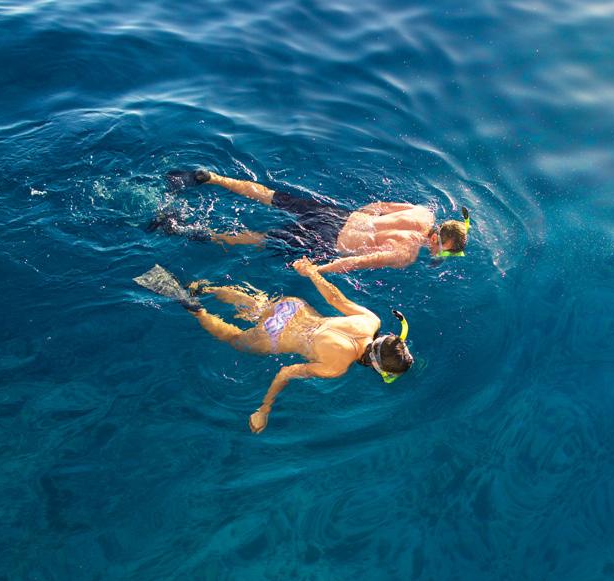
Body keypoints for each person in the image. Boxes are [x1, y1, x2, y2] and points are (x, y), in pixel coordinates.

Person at [133, 256, 414, 434]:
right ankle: (194, 307)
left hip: (293, 307)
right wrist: (264, 409)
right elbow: (285, 372)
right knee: (235, 340)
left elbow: (335, 299)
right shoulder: (336, 367)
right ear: (378, 367)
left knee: (256, 306)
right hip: (275, 335)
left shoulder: (371, 320)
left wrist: (311, 272)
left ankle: (205, 288)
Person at [148, 168, 470, 273]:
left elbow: (380, 205)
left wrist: (359, 218)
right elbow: (357, 262)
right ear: (437, 240)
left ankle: (212, 178)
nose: (440, 254)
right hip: (328, 241)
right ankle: (182, 230)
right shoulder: (407, 253)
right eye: (445, 250)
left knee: (272, 196)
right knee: (262, 238)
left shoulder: (423, 212)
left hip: (339, 216)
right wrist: (319, 270)